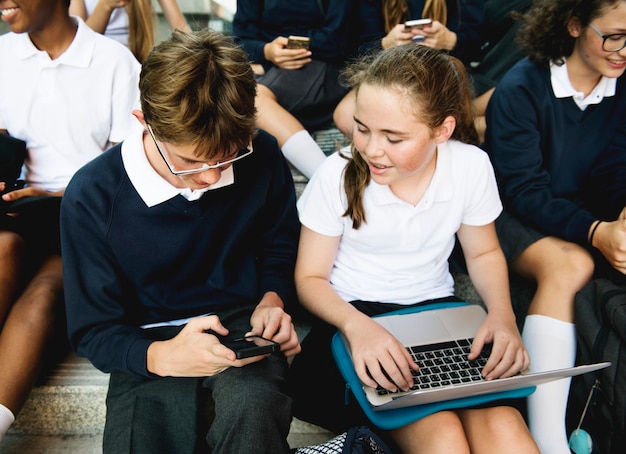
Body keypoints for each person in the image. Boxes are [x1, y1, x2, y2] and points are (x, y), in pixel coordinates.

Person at [288, 43, 539, 454]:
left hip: (439, 313)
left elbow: (483, 253)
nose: (370, 149)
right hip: (355, 319)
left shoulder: (470, 166)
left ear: (442, 130)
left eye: (394, 137)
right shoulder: (335, 176)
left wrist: (502, 315)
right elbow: (309, 279)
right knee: (445, 439)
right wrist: (358, 329)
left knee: (507, 433)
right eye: (363, 128)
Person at [60, 29, 302, 453]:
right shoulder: (92, 195)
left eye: (228, 154)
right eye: (190, 160)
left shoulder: (261, 154)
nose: (212, 177)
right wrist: (162, 356)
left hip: (241, 324)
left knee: (254, 411)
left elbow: (279, 245)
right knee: (141, 441)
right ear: (145, 124)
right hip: (145, 337)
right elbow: (94, 330)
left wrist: (273, 297)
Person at [483, 0, 626, 452]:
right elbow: (524, 191)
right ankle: (547, 439)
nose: (624, 50)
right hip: (507, 216)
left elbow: (614, 174)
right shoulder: (521, 88)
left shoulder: (620, 86)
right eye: (615, 35)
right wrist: (596, 231)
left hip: (581, 214)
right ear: (573, 24)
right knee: (570, 266)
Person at [0, 0, 140, 441]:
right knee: (2, 249)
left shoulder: (114, 62)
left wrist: (58, 193)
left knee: (43, 294)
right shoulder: (4, 56)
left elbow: (130, 170)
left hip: (83, 211)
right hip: (15, 205)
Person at [232, 0, 357, 179]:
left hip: (322, 64)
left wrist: (288, 50)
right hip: (273, 66)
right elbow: (239, 41)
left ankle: (330, 183)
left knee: (254, 99)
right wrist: (267, 51)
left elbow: (340, 38)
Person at [332, 0, 485, 139]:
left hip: (443, 72)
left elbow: (478, 44)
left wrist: (450, 40)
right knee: (345, 117)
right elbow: (356, 48)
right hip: (389, 72)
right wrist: (385, 44)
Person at [69, 0, 191, 61]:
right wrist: (106, 5)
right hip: (95, 61)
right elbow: (78, 44)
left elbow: (180, 26)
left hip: (135, 60)